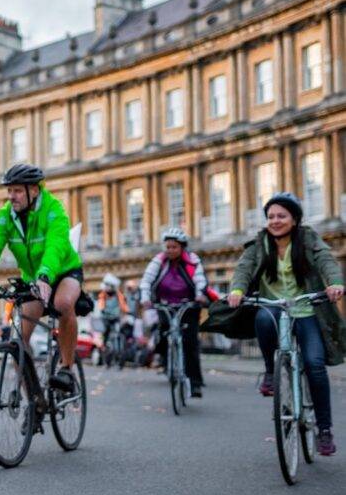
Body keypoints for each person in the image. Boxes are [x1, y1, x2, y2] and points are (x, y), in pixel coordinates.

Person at [219, 193, 345, 455]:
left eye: (281, 216)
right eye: (271, 216)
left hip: (306, 311)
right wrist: (237, 290)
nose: (275, 221)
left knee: (315, 366)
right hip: (274, 307)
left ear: (294, 219)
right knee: (263, 318)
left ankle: (324, 430)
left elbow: (326, 260)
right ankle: (269, 371)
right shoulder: (259, 243)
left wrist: (335, 283)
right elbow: (243, 268)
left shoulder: (308, 238)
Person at [0, 163, 86, 394]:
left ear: (34, 190)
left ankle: (67, 368)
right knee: (18, 340)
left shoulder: (53, 209)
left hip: (63, 272)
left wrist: (45, 275)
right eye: (9, 191)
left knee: (62, 304)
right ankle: (34, 399)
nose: (12, 196)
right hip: (33, 278)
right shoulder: (5, 217)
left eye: (17, 191)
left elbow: (56, 246)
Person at [139, 227, 212, 397]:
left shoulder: (192, 259)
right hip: (165, 304)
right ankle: (166, 362)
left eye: (174, 247)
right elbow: (146, 280)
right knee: (163, 334)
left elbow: (200, 280)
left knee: (190, 342)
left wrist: (200, 295)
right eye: (168, 247)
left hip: (189, 305)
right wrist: (145, 298)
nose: (170, 250)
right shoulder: (159, 260)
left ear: (182, 247)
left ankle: (195, 383)